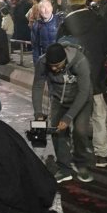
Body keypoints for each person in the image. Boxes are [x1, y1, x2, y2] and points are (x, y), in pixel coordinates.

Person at [60, 0, 107, 168]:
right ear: (85, 2)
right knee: (99, 116)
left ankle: (76, 151)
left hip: (74, 78)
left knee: (74, 114)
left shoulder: (66, 23)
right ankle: (101, 154)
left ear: (70, 4)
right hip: (96, 78)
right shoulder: (100, 20)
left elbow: (57, 50)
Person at [32, 42, 94, 183]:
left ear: (65, 60)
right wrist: (38, 112)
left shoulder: (80, 61)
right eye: (51, 66)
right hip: (58, 98)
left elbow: (84, 92)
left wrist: (68, 117)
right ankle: (64, 168)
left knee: (80, 131)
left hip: (81, 99)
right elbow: (37, 86)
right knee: (57, 132)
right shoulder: (42, 62)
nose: (54, 69)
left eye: (58, 65)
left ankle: (81, 163)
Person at [30, 0, 60, 65]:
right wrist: (37, 64)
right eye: (43, 7)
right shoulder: (36, 25)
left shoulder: (60, 21)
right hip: (45, 60)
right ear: (39, 10)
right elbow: (35, 47)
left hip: (60, 60)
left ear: (52, 8)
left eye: (48, 6)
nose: (46, 10)